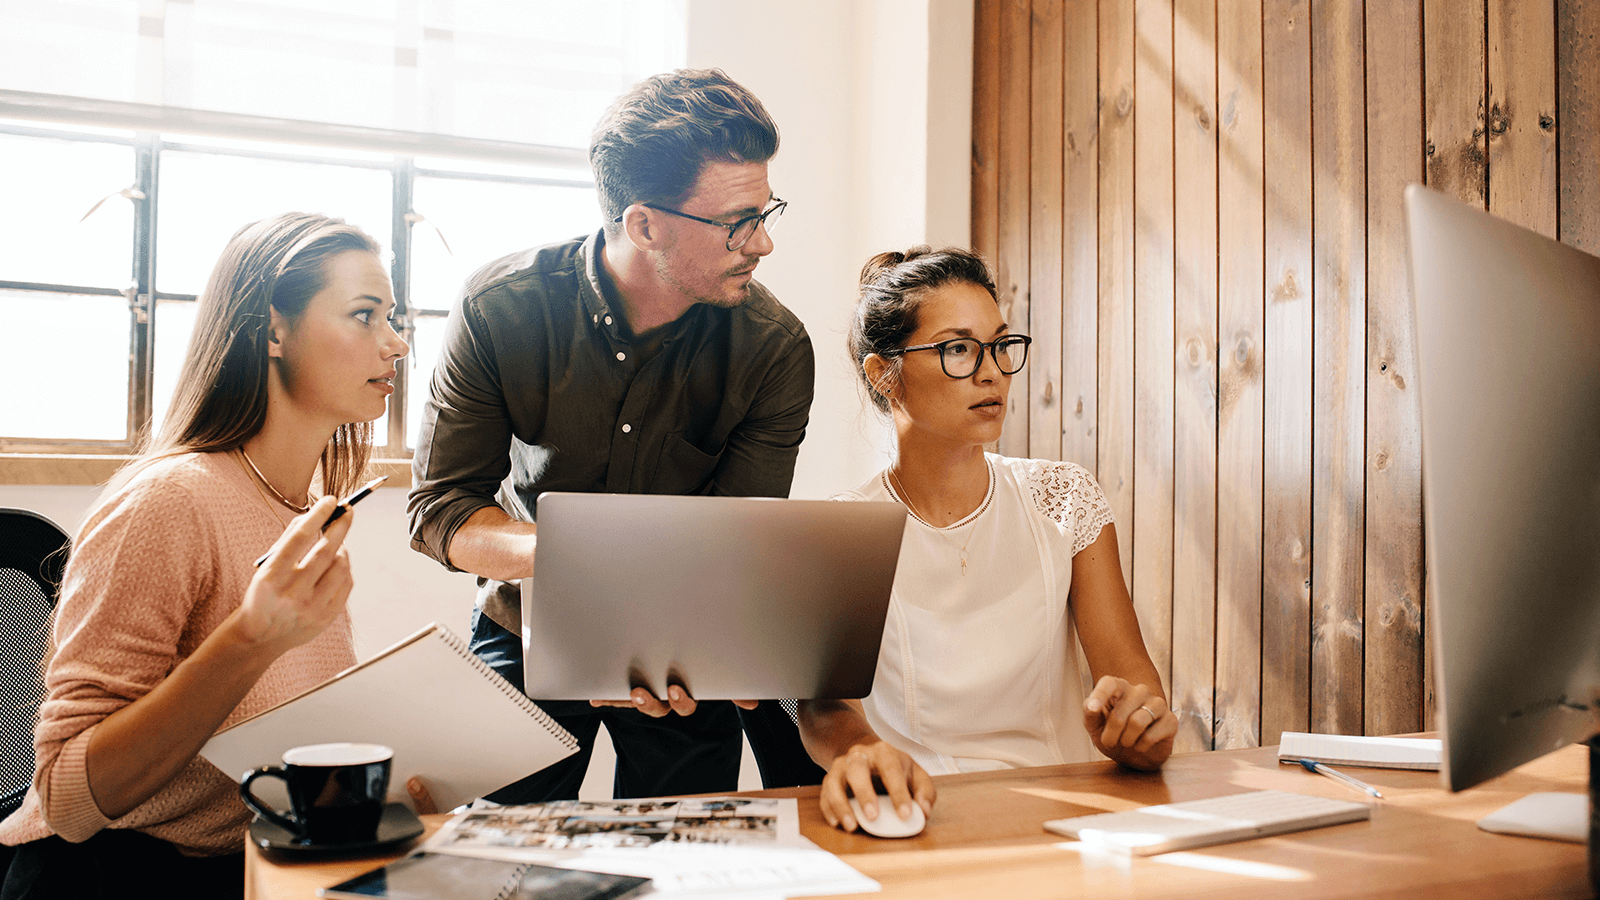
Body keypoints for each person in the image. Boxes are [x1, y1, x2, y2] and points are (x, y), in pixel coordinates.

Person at [407, 67, 820, 802]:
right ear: (643, 224)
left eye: (766, 211)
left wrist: (641, 625)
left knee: (688, 862)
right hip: (524, 619)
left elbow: (738, 539)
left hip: (687, 650)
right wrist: (578, 571)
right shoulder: (499, 310)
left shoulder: (775, 348)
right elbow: (440, 510)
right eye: (737, 221)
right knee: (496, 854)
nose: (763, 244)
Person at [0, 212, 410, 899]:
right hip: (111, 879)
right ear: (274, 329)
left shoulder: (302, 509)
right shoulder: (168, 503)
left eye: (393, 319)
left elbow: (262, 750)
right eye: (365, 315)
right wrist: (249, 639)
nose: (395, 343)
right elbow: (69, 801)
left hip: (248, 866)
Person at [795, 246, 1179, 833]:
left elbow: (1133, 679)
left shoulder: (1064, 498)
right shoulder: (841, 532)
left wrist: (1139, 726)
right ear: (883, 373)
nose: (991, 371)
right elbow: (824, 708)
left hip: (1065, 818)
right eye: (957, 349)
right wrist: (858, 754)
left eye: (1000, 345)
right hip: (912, 818)